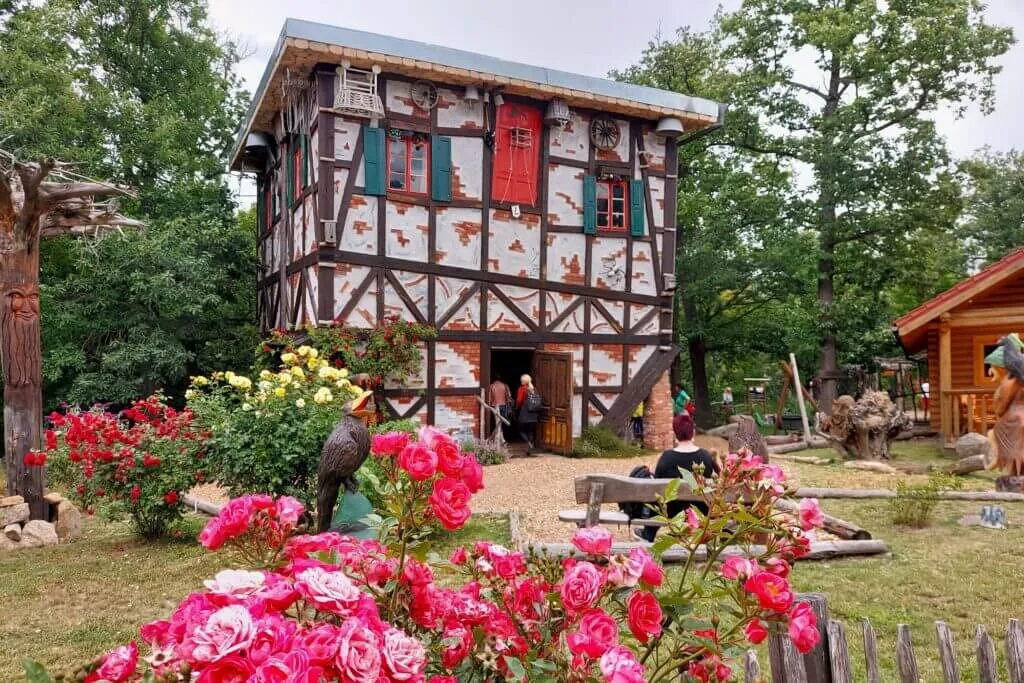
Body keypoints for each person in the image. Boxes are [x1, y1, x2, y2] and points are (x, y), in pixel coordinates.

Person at [636, 412, 719, 542]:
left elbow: (657, 486)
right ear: (693, 431)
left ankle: (648, 533)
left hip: (671, 511)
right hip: (700, 510)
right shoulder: (705, 456)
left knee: (658, 494)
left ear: (675, 433)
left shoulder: (667, 457)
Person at [516, 374, 540, 456]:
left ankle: (528, 443)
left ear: (523, 381)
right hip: (534, 414)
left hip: (524, 413)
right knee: (530, 431)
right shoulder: (534, 389)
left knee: (521, 430)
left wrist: (517, 407)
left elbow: (519, 401)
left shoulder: (522, 389)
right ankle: (530, 449)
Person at [488, 374, 511, 440]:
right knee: (501, 423)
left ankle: (501, 438)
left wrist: (489, 406)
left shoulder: (492, 386)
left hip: (494, 405)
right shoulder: (504, 385)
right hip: (503, 405)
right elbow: (508, 396)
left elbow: (489, 398)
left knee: (497, 423)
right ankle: (502, 438)